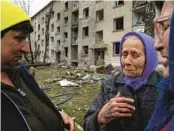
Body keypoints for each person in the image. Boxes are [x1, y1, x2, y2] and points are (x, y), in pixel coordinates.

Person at [1, 1, 74, 131]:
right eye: (19, 38)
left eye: (26, 39)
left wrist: (55, 115)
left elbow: (33, 105)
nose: (27, 49)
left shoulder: (21, 71)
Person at [84, 31, 162, 131]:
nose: (126, 62)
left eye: (135, 55)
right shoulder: (109, 86)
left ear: (149, 58)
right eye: (124, 54)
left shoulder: (165, 89)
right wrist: (99, 118)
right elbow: (87, 125)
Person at [145, 1, 174, 131]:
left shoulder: (157, 85)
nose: (157, 45)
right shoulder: (167, 96)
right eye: (123, 53)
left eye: (167, 27)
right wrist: (98, 119)